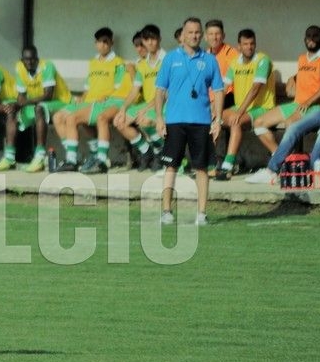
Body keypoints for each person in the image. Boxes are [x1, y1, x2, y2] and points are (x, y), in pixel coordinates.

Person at [244, 26, 320, 184]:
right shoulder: (302, 58)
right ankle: (280, 158)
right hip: (297, 104)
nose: (311, 39)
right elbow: (303, 77)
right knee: (260, 123)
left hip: (317, 106)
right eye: (308, 36)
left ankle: (288, 169)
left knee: (290, 123)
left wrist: (308, 102)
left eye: (315, 36)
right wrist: (291, 80)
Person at [154, 17, 224, 226]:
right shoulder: (170, 59)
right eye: (190, 32)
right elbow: (159, 91)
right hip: (174, 121)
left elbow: (219, 91)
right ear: (182, 35)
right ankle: (166, 212)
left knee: (201, 168)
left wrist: (218, 119)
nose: (194, 36)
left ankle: (201, 214)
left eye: (197, 33)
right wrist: (159, 117)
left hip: (201, 122)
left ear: (201, 35)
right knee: (171, 168)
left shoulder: (210, 60)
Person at [54, 27, 131, 172]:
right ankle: (75, 156)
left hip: (101, 103)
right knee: (58, 117)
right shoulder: (93, 62)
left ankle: (77, 159)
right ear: (95, 43)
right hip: (88, 101)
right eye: (99, 42)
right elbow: (88, 87)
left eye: (105, 42)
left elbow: (119, 87)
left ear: (111, 42)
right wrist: (81, 99)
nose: (102, 45)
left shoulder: (118, 62)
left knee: (72, 119)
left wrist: (107, 97)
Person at [0, 45, 72, 172]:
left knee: (39, 109)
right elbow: (21, 97)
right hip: (36, 103)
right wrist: (17, 105)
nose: (29, 62)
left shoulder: (47, 66)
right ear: (22, 60)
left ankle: (39, 156)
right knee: (11, 109)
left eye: (32, 59)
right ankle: (9, 156)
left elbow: (48, 95)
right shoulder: (19, 68)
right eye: (26, 59)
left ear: (37, 59)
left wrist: (21, 103)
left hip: (60, 102)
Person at [215, 29, 276, 180]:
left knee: (236, 122)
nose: (249, 47)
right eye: (245, 44)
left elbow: (256, 88)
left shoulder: (263, 60)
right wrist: (215, 111)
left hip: (263, 108)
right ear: (239, 46)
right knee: (212, 120)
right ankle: (209, 163)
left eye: (252, 43)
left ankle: (228, 165)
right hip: (241, 108)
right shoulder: (235, 63)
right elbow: (223, 89)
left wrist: (239, 112)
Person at [113, 24, 166, 170]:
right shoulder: (142, 64)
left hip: (165, 104)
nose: (150, 42)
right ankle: (146, 151)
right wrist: (123, 108)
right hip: (149, 104)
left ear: (159, 39)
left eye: (153, 39)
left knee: (144, 120)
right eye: (146, 39)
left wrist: (146, 109)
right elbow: (135, 90)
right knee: (119, 121)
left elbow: (166, 92)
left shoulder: (167, 60)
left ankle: (161, 151)